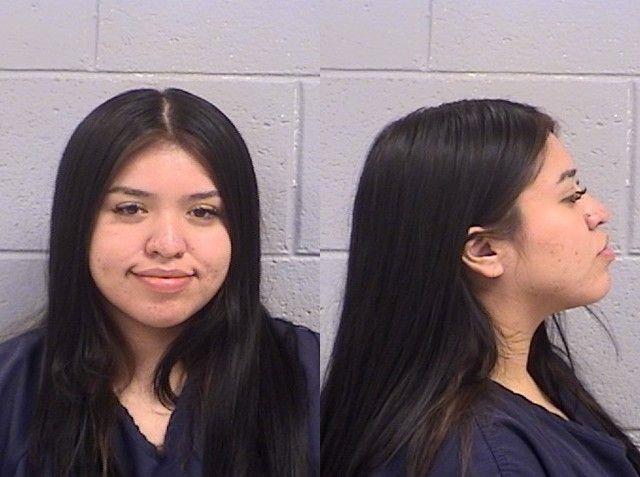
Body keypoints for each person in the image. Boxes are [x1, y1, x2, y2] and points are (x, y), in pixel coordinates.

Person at [0, 88, 319, 476]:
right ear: (78, 223)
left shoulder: (308, 375)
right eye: (130, 208)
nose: (167, 245)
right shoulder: (11, 391)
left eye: (202, 212)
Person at [321, 99, 640, 476]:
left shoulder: (538, 379)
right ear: (485, 251)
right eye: (571, 196)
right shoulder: (478, 458)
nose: (599, 213)